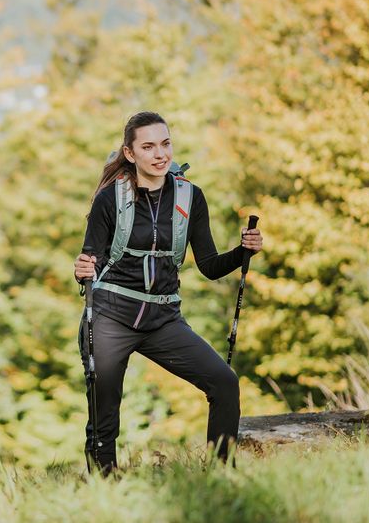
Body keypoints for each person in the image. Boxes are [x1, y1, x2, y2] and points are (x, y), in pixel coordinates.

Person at [74, 111, 262, 472]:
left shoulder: (190, 197)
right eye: (148, 146)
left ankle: (222, 476)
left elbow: (208, 267)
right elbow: (89, 261)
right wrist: (80, 269)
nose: (160, 154)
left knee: (224, 382)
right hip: (112, 316)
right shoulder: (110, 199)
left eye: (165, 144)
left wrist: (243, 253)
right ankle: (103, 486)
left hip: (162, 318)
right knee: (104, 417)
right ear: (130, 154)